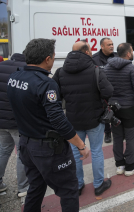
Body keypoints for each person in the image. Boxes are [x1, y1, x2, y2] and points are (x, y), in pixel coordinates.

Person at [6, 39, 90, 212]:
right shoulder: (46, 83)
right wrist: (80, 145)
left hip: (26, 145)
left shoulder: (15, 76)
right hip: (47, 148)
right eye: (52, 57)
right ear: (47, 59)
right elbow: (58, 120)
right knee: (68, 190)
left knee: (36, 187)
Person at [53, 40, 113, 196]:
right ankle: (99, 184)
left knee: (74, 151)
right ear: (87, 52)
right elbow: (108, 92)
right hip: (94, 119)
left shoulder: (60, 72)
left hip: (72, 121)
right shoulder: (95, 70)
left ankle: (78, 185)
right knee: (96, 151)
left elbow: (55, 96)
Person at [104, 43, 134, 176]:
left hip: (114, 109)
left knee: (117, 137)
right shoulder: (131, 68)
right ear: (128, 54)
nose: (132, 53)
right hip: (129, 108)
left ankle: (119, 165)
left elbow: (103, 88)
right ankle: (130, 166)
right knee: (130, 138)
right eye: (132, 51)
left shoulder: (106, 67)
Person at [0, 52, 29, 197]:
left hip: (0, 119)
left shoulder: (0, 66)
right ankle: (23, 187)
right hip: (16, 120)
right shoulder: (25, 69)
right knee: (21, 153)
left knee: (4, 149)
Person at [92, 37, 117, 143]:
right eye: (109, 45)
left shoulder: (117, 56)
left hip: (116, 89)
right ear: (102, 46)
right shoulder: (94, 58)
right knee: (106, 112)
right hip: (102, 91)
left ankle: (117, 132)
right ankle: (107, 133)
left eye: (112, 44)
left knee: (117, 111)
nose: (111, 46)